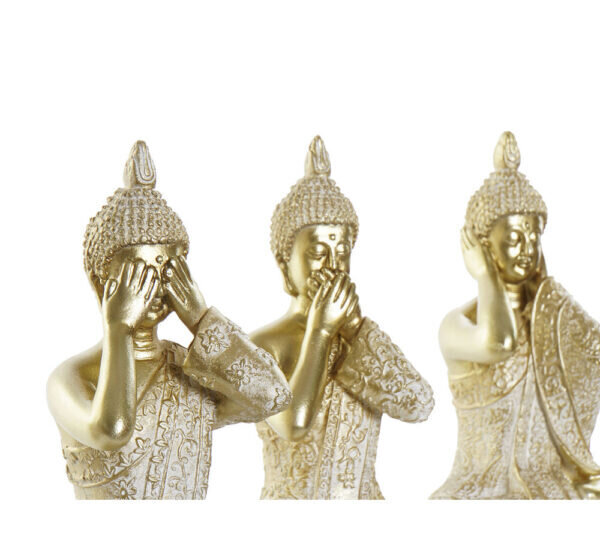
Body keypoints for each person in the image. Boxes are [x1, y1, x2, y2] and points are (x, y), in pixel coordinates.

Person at [47, 141, 291, 499]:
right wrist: (118, 330)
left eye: (168, 271)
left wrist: (202, 319)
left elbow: (273, 397)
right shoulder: (70, 378)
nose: (156, 287)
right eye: (139, 272)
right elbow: (111, 430)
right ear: (101, 283)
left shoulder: (187, 371)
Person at [253, 136, 434, 499]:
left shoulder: (359, 340)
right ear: (284, 264)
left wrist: (354, 329)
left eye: (342, 251)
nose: (333, 265)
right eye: (318, 252)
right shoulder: (262, 346)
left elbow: (419, 405)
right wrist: (320, 331)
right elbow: (294, 425)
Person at [432, 132, 600, 499]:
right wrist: (484, 275)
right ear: (483, 244)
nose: (526, 249)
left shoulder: (553, 320)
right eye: (513, 239)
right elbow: (498, 343)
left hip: (548, 483)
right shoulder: (456, 325)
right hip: (477, 489)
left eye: (533, 237)